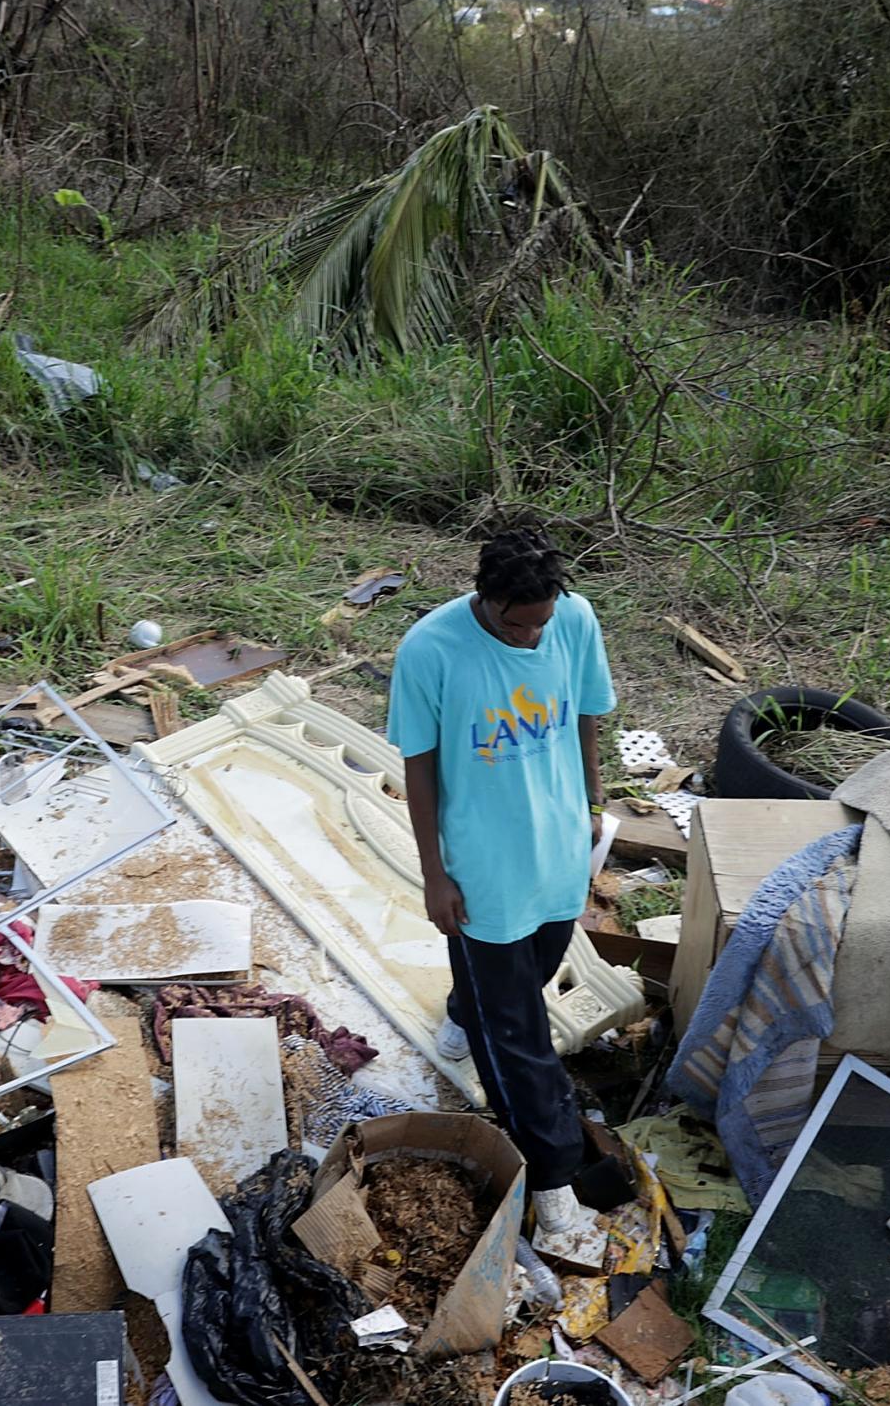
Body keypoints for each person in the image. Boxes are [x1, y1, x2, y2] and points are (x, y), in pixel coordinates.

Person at [389, 528, 616, 1254]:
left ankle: (462, 1005)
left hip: (554, 849)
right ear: (485, 600)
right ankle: (552, 1176)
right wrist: (434, 871)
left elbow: (586, 708)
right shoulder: (431, 650)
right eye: (516, 624)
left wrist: (590, 800)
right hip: (484, 861)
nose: (531, 637)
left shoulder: (572, 618)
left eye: (541, 623)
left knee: (533, 969)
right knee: (517, 1035)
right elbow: (419, 768)